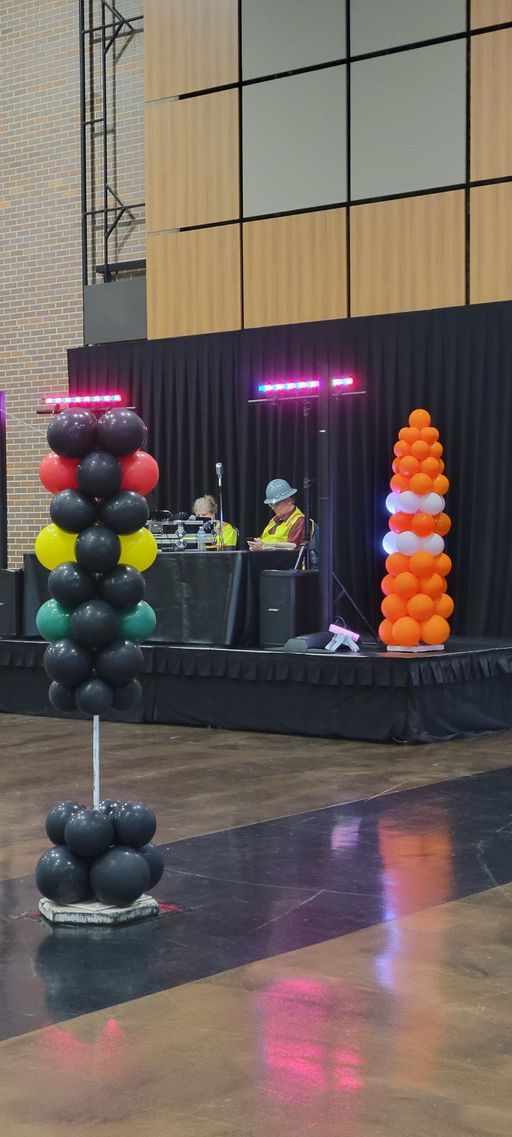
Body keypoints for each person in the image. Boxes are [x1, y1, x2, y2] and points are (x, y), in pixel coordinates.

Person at [247, 479, 313, 551]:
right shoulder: (274, 520)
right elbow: (263, 540)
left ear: (289, 501)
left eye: (276, 504)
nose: (272, 508)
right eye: (271, 504)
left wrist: (264, 548)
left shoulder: (299, 521)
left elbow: (293, 550)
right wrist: (257, 544)